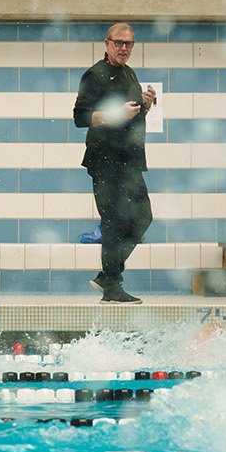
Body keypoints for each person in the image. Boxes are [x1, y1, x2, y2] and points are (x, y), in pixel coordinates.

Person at [73, 22, 157, 305]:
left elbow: (129, 113)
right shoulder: (94, 75)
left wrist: (145, 103)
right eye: (118, 43)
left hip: (129, 160)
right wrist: (113, 113)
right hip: (105, 160)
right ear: (107, 44)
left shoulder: (129, 73)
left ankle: (108, 276)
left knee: (143, 216)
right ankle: (112, 286)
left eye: (128, 44)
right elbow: (80, 117)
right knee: (114, 222)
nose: (123, 48)